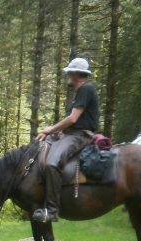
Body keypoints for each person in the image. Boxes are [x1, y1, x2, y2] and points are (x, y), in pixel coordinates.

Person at [32, 57, 100, 223]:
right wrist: (49, 134)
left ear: (76, 74)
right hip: (70, 134)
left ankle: (52, 210)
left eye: (69, 72)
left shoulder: (86, 88)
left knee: (51, 163)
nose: (67, 75)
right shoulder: (81, 92)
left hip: (79, 135)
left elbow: (72, 119)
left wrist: (50, 129)